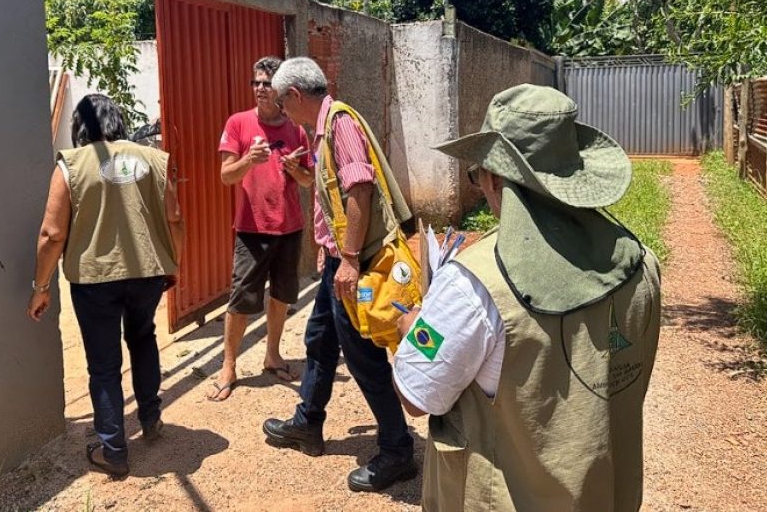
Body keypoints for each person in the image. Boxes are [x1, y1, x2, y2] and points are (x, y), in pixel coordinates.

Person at [392, 84, 662, 511]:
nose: (479, 184)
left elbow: (416, 397)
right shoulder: (641, 264)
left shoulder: (473, 284)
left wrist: (414, 331)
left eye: (477, 173)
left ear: (497, 178)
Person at [262, 57, 418, 493]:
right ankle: (308, 422)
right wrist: (307, 180)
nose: (282, 112)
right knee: (319, 340)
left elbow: (360, 190)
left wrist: (348, 258)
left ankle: (397, 450)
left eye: (282, 102)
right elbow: (336, 190)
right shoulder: (325, 128)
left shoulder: (339, 125)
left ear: (295, 95)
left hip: (356, 263)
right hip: (338, 260)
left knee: (363, 358)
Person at [27, 94, 184, 479]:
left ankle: (113, 450)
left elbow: (51, 234)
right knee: (143, 338)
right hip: (148, 272)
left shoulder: (72, 165)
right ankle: (150, 417)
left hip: (95, 279)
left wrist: (40, 285)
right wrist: (173, 263)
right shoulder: (154, 159)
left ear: (79, 126)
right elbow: (175, 218)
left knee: (103, 363)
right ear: (120, 120)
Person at [209, 56, 314, 401]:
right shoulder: (238, 123)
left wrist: (294, 168)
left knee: (282, 296)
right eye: (255, 83)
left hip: (289, 228)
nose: (259, 89)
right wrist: (248, 161)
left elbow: (308, 180)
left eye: (266, 83)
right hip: (251, 230)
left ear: (280, 88)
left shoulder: (296, 128)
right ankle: (228, 365)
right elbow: (226, 176)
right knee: (241, 300)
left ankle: (272, 354)